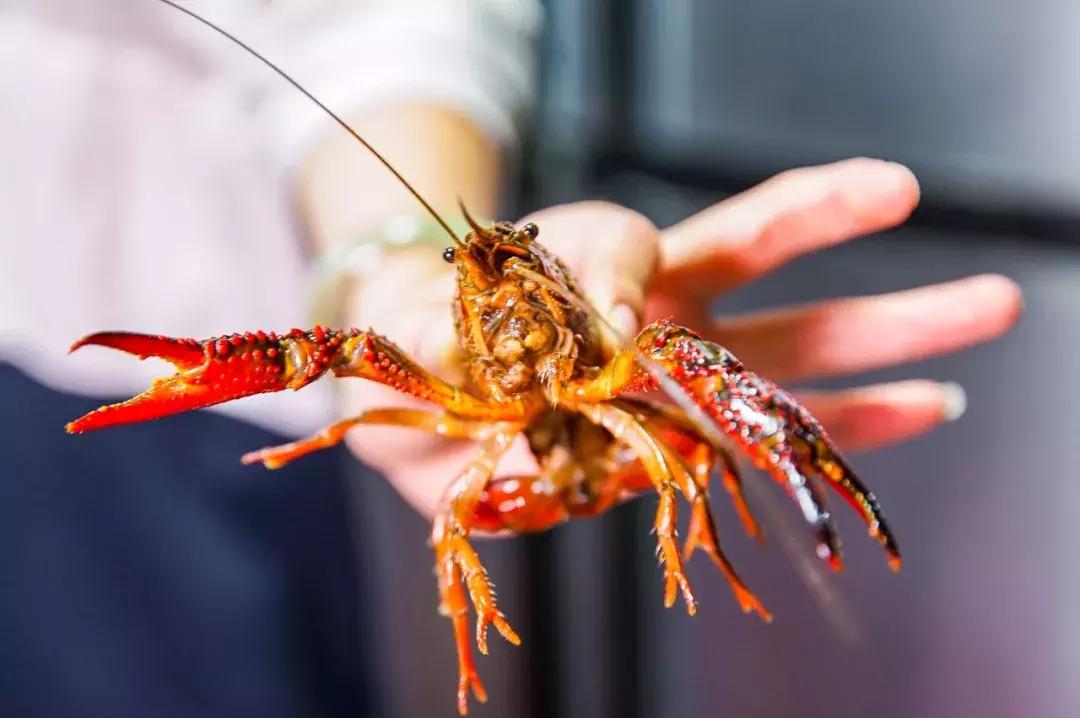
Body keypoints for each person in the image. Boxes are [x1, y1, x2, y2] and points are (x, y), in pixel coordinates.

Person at [1, 1, 1022, 716]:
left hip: (198, 379)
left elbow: (378, 23)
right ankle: (471, 650)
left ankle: (710, 551)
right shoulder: (434, 370)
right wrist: (386, 323)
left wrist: (387, 270)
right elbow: (368, 383)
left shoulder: (623, 355)